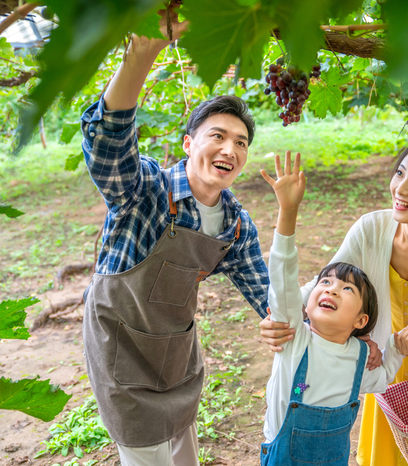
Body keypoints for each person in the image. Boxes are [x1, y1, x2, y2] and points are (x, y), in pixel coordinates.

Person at [80, 7, 269, 466]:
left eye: (241, 142)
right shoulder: (145, 191)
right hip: (121, 355)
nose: (230, 149)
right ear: (189, 144)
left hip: (176, 358)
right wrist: (141, 57)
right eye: (218, 136)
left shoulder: (234, 224)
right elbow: (108, 146)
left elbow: (268, 294)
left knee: (184, 455)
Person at [260, 138, 408, 466]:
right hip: (389, 373)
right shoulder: (371, 230)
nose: (400, 188)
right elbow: (323, 282)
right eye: (400, 173)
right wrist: (280, 318)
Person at [259, 151, 408, 466]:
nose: (331, 288)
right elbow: (284, 279)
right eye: (325, 283)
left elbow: (381, 380)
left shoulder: (360, 357)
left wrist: (396, 348)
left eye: (347, 288)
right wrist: (287, 212)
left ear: (361, 319)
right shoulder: (295, 338)